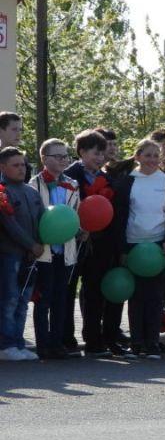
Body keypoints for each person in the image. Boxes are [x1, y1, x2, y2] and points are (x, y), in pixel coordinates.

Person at [111, 139, 165, 359]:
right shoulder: (127, 182)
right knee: (136, 296)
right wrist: (122, 249)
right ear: (137, 156)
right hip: (134, 244)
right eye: (147, 155)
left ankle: (152, 342)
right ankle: (137, 342)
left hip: (158, 244)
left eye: (155, 155)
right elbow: (120, 217)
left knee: (155, 296)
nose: (151, 160)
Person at [65, 130, 125, 357]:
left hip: (100, 245)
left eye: (102, 153)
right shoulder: (70, 176)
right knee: (68, 291)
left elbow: (113, 214)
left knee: (94, 292)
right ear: (81, 152)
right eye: (94, 153)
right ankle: (66, 339)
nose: (100, 158)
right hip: (73, 241)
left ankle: (93, 339)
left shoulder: (109, 178)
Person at [31, 139, 81, 360]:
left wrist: (81, 229)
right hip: (44, 252)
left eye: (65, 156)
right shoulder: (34, 184)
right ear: (44, 158)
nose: (63, 160)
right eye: (58, 156)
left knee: (62, 298)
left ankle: (58, 343)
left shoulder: (72, 184)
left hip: (66, 250)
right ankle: (42, 344)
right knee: (44, 299)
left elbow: (75, 214)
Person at [0, 146, 42, 360]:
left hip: (31, 255)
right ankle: (6, 345)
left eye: (23, 165)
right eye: (15, 165)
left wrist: (40, 244)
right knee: (9, 299)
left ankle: (18, 342)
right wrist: (30, 244)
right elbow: (9, 224)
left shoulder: (31, 191)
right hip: (10, 254)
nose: (21, 169)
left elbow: (44, 221)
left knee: (24, 299)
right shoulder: (1, 191)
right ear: (2, 167)